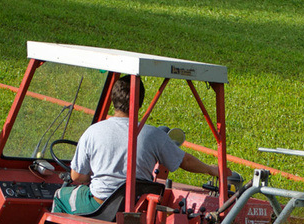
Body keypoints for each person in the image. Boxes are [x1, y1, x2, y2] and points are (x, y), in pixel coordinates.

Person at [52, 75, 231, 215]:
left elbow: (77, 177)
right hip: (139, 208)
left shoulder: (93, 132)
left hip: (100, 206)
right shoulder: (154, 134)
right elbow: (185, 161)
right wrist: (211, 169)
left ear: (114, 100)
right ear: (140, 102)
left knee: (60, 196)